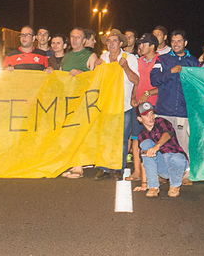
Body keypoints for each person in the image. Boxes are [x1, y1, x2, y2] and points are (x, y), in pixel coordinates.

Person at [151, 29, 198, 184]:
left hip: (184, 111)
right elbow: (154, 79)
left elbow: (200, 84)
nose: (176, 44)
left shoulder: (193, 61)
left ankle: (185, 174)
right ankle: (163, 174)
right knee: (163, 142)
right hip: (164, 109)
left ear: (185, 43)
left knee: (183, 143)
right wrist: (171, 71)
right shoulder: (162, 60)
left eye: (179, 41)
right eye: (173, 41)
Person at [98, 29, 142, 181]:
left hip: (124, 106)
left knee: (122, 139)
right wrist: (96, 68)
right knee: (105, 137)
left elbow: (136, 80)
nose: (111, 43)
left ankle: (118, 167)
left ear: (121, 43)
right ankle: (103, 167)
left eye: (114, 41)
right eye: (109, 41)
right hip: (106, 105)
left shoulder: (129, 58)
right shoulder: (103, 58)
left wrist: (125, 67)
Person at [59, 28, 102, 179]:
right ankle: (72, 163)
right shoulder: (66, 57)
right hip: (67, 100)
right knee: (69, 132)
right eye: (72, 37)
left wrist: (82, 74)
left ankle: (78, 167)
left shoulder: (90, 56)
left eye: (78, 37)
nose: (75, 39)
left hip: (83, 101)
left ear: (84, 40)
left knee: (80, 132)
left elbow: (97, 77)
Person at [137, 102, 188, 197]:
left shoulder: (161, 121)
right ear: (140, 119)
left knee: (178, 159)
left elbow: (167, 133)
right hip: (162, 166)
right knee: (146, 144)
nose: (151, 117)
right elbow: (144, 160)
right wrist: (144, 183)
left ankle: (175, 186)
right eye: (146, 115)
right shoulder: (142, 135)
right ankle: (153, 186)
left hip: (175, 158)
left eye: (152, 113)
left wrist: (157, 146)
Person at [133, 33, 161, 111]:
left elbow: (166, 85)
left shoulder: (161, 61)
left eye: (144, 44)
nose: (140, 47)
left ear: (152, 46)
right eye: (140, 44)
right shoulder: (139, 61)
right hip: (138, 104)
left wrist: (148, 93)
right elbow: (136, 81)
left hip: (154, 105)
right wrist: (133, 97)